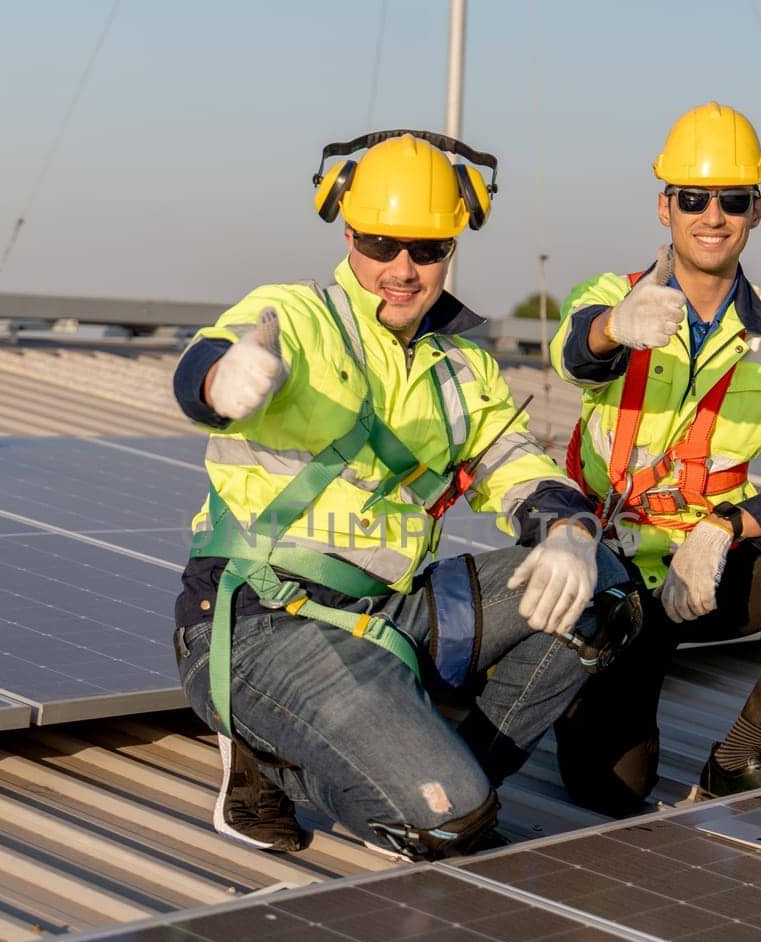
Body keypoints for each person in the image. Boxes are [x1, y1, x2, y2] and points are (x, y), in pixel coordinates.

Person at [171, 131, 635, 859]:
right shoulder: (295, 318)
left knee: (604, 587)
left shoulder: (462, 365)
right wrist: (217, 378)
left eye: (426, 248)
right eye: (381, 242)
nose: (402, 268)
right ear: (348, 230)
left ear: (452, 246)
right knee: (444, 823)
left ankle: (440, 775)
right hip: (266, 618)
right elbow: (212, 357)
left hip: (394, 613)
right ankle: (283, 766)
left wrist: (571, 530)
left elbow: (518, 467)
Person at [547, 102, 761, 816]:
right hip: (616, 580)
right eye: (694, 198)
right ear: (664, 206)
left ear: (755, 210)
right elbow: (573, 355)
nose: (713, 215)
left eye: (732, 200)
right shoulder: (612, 298)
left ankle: (742, 753)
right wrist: (617, 327)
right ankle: (577, 687)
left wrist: (726, 529)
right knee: (609, 790)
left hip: (708, 573)